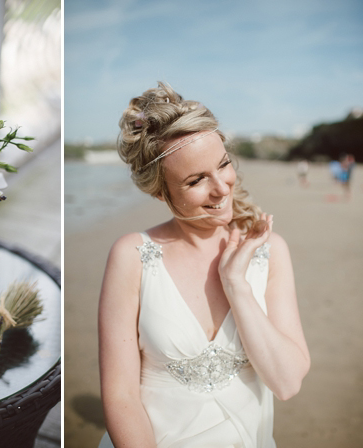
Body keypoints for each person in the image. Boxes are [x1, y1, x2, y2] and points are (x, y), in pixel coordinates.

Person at [98, 83, 310, 447]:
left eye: (223, 164)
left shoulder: (270, 251)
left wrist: (237, 285)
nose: (222, 188)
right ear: (161, 191)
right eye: (196, 180)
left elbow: (287, 383)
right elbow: (121, 397)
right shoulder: (131, 256)